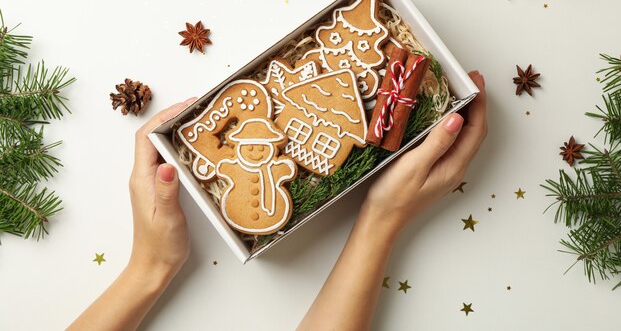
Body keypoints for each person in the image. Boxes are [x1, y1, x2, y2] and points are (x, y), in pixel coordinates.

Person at [67, 71, 487, 331]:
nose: (255, 152)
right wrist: (382, 218)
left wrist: (151, 265)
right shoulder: (236, 167)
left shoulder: (277, 162)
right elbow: (236, 167)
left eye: (260, 146)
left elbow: (283, 168)